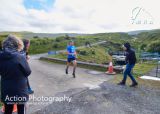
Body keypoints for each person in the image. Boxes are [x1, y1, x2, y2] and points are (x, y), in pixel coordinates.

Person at [0, 35, 31, 114]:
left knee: (8, 110)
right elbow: (28, 72)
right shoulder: (20, 57)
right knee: (21, 110)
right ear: (17, 44)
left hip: (6, 89)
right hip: (20, 90)